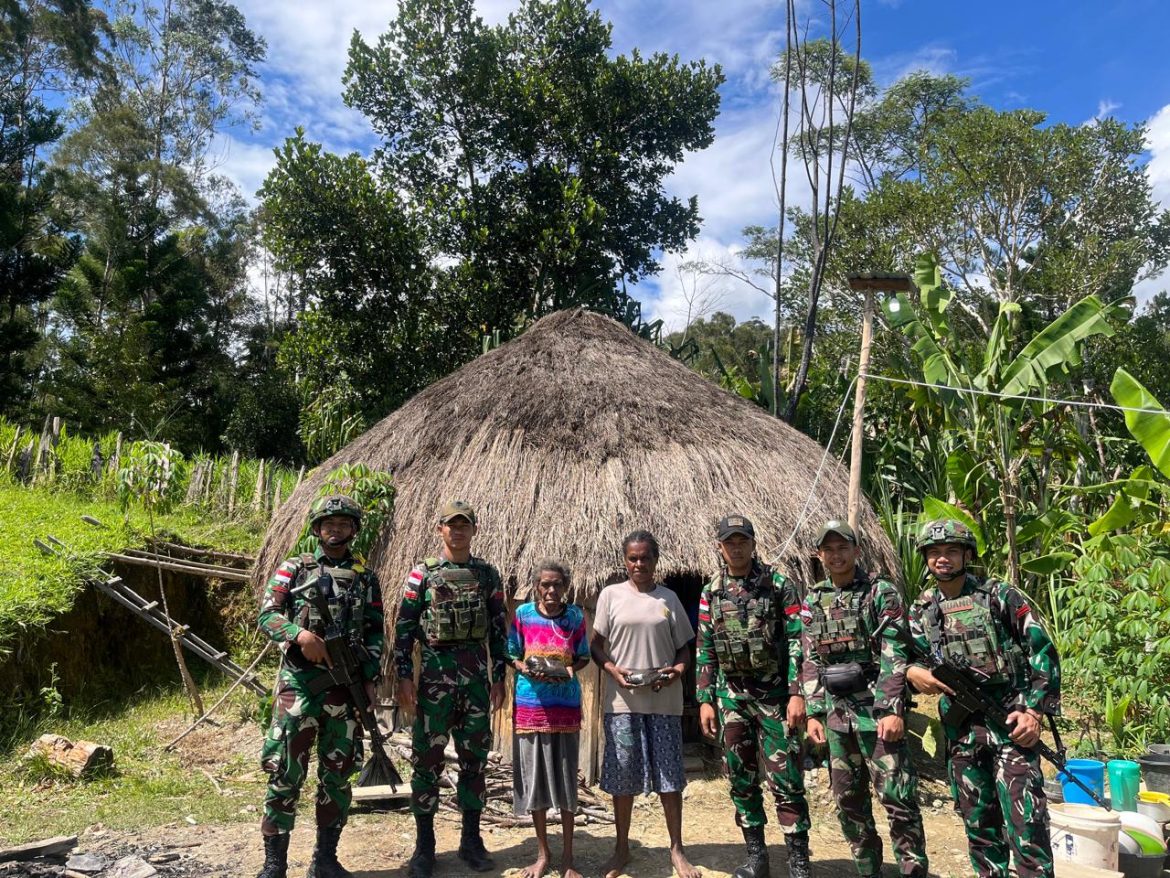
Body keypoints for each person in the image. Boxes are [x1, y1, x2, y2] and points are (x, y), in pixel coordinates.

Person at [906, 519, 1060, 878]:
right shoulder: (922, 609)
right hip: (962, 733)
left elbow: (1042, 652)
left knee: (1027, 825)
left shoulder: (998, 596)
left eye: (951, 551)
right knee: (979, 826)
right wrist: (912, 674)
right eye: (934, 553)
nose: (942, 559)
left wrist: (1034, 711)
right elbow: (902, 657)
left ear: (966, 555)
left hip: (1010, 723)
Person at [255, 494, 384, 878]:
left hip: (344, 688)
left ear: (354, 530)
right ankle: (274, 863)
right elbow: (267, 615)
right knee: (285, 771)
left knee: (337, 773)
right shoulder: (294, 568)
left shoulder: (366, 577)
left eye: (344, 524)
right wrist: (300, 636)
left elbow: (376, 632)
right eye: (329, 523)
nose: (336, 529)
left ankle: (325, 860)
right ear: (316, 528)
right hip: (299, 684)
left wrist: (370, 678)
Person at [800, 519, 927, 878]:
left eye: (843, 547)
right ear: (819, 554)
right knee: (849, 804)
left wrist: (892, 708)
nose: (836, 555)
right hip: (838, 719)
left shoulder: (879, 592)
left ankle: (912, 871)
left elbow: (895, 652)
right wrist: (813, 712)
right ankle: (868, 870)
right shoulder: (814, 599)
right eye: (829, 549)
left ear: (856, 551)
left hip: (877, 715)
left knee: (899, 802)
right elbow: (809, 658)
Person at [393, 500, 508, 878]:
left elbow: (498, 629)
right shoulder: (421, 574)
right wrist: (404, 676)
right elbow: (405, 627)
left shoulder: (487, 574)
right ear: (439, 529)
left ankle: (471, 840)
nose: (458, 531)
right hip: (434, 684)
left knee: (475, 762)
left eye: (465, 525)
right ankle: (424, 847)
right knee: (427, 763)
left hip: (475, 684)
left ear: (473, 530)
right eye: (451, 525)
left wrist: (499, 676)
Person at [697, 514, 812, 878]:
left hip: (776, 696)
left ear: (753, 543)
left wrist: (796, 693)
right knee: (740, 779)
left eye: (742, 540)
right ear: (720, 546)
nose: (736, 547)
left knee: (786, 779)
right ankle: (756, 858)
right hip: (732, 699)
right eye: (729, 541)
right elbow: (705, 647)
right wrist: (704, 698)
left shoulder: (778, 584)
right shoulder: (711, 591)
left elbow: (798, 640)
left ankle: (798, 861)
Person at [591, 530, 700, 878]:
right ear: (625, 560)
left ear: (656, 560)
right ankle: (621, 848)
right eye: (633, 558)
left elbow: (685, 646)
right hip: (622, 701)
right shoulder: (611, 596)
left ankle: (677, 849)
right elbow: (596, 645)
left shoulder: (667, 599)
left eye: (645, 557)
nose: (639, 563)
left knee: (670, 776)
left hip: (664, 701)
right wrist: (612, 670)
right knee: (623, 776)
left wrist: (679, 670)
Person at [506, 560, 591, 878]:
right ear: (536, 586)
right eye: (545, 584)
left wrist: (569, 669)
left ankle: (568, 858)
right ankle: (543, 855)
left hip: (565, 708)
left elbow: (583, 654)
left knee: (567, 783)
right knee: (536, 783)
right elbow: (511, 651)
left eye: (557, 584)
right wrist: (523, 667)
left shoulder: (575, 617)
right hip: (531, 709)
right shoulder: (523, 615)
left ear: (565, 586)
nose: (551, 590)